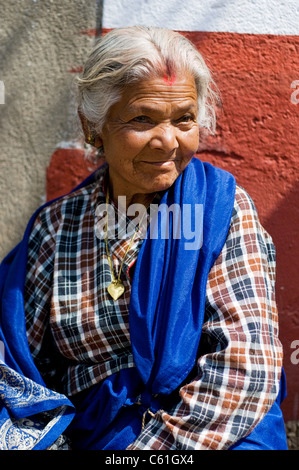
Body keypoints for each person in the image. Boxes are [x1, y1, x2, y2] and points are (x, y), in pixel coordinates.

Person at [0, 26, 287, 450]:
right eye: (142, 119)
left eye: (184, 118)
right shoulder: (57, 227)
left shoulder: (219, 211)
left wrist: (148, 452)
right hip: (94, 434)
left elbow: (245, 368)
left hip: (211, 431)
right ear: (93, 125)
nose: (168, 141)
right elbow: (19, 360)